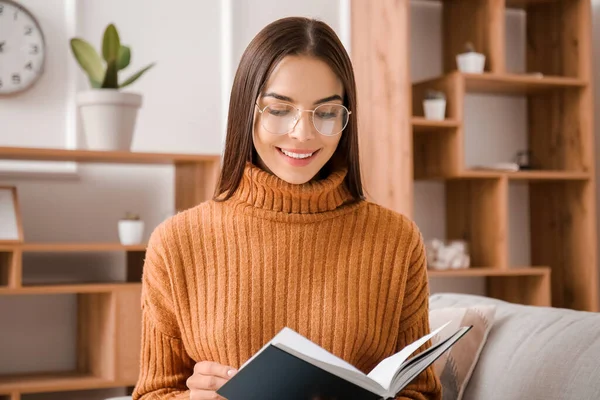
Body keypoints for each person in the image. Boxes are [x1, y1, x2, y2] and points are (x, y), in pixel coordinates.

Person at [132, 16, 442, 400]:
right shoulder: (176, 242)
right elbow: (153, 393)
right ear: (248, 110)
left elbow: (422, 392)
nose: (303, 133)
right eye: (280, 109)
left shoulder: (397, 240)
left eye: (327, 113)